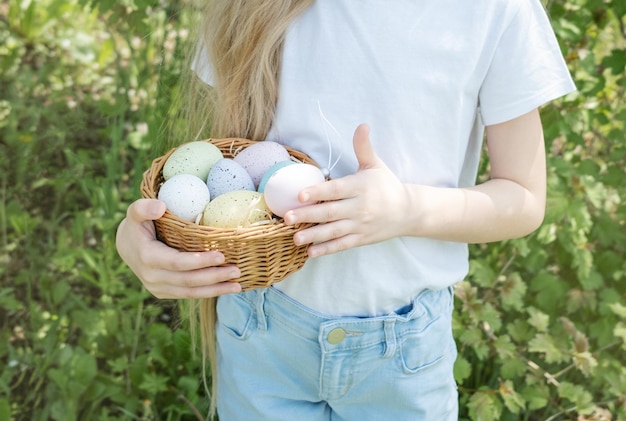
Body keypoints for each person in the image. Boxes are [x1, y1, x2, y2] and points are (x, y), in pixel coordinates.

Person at [116, 0, 576, 419]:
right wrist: (144, 237)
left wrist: (408, 209)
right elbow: (222, 169)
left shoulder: (496, 11)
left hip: (401, 355)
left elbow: (523, 199)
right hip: (261, 330)